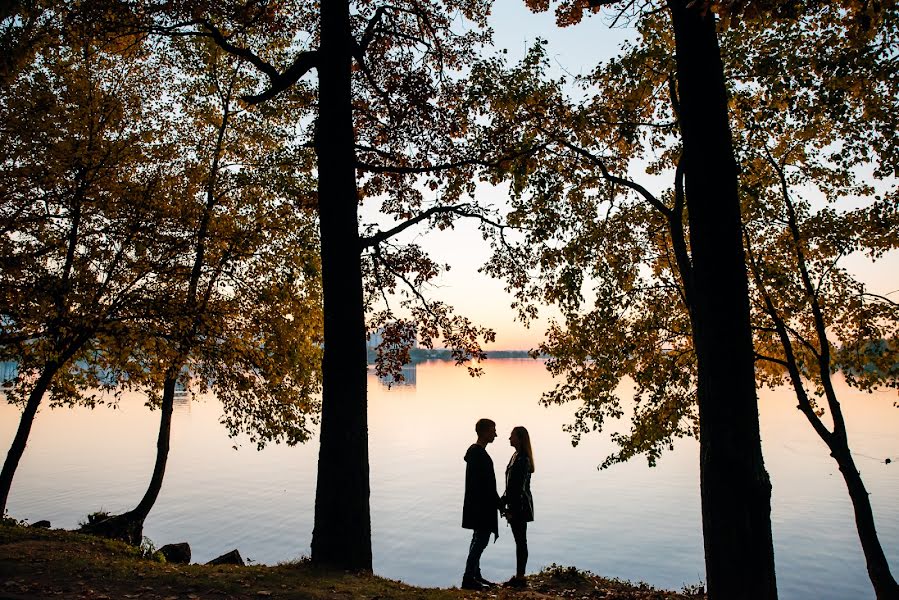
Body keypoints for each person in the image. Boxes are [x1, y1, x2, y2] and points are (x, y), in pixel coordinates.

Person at [461, 418, 500, 590]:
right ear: (484, 432)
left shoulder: (475, 453)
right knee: (480, 541)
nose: (496, 434)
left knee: (477, 539)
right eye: (493, 431)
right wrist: (500, 505)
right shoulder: (479, 455)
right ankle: (468, 578)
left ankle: (475, 574)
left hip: (475, 504)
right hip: (482, 506)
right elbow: (487, 486)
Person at [501, 425, 534, 589]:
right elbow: (511, 486)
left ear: (519, 439)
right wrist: (503, 501)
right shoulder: (516, 456)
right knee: (519, 541)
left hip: (520, 507)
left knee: (521, 541)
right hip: (516, 505)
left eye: (512, 436)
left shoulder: (522, 460)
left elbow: (518, 489)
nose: (509, 438)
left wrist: (511, 510)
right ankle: (519, 577)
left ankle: (520, 578)